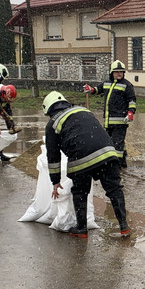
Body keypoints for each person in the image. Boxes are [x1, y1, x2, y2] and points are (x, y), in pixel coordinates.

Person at [42, 91, 130, 238]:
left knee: (80, 192)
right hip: (108, 152)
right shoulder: (83, 110)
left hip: (80, 157)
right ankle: (124, 226)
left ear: (49, 109)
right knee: (114, 190)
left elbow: (53, 156)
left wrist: (55, 181)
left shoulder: (52, 124)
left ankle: (82, 229)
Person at [83, 60, 137, 168]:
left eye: (121, 72)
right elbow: (98, 90)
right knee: (112, 143)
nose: (119, 74)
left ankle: (117, 166)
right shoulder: (107, 83)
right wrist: (91, 89)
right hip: (108, 121)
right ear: (112, 73)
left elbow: (132, 100)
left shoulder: (127, 85)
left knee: (117, 145)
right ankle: (122, 162)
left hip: (121, 121)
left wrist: (131, 113)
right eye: (117, 72)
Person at [0, 84, 18, 163]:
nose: (7, 101)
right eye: (6, 99)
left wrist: (11, 126)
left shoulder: (5, 100)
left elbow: (8, 115)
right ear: (3, 94)